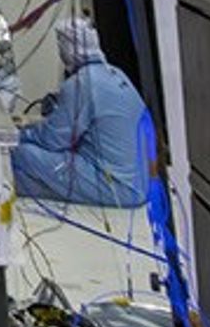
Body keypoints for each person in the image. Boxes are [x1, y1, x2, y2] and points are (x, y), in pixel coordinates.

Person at [10, 14, 150, 206]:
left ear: (67, 48)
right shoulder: (117, 74)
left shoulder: (82, 82)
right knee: (30, 176)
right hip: (137, 186)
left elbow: (53, 141)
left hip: (114, 186)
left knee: (20, 153)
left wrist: (17, 134)